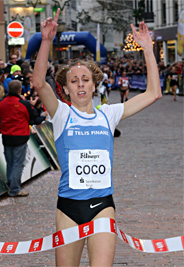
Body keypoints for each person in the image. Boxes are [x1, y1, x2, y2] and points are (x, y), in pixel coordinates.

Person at [33, 9, 162, 266]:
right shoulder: (62, 114)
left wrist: (148, 48)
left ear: (94, 85)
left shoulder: (108, 114)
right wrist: (46, 41)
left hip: (103, 206)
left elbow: (153, 94)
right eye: (74, 81)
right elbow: (38, 83)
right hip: (69, 207)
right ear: (66, 89)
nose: (80, 84)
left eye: (85, 80)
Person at [0, 80, 35, 197]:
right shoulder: (23, 104)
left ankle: (11, 183)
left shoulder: (1, 103)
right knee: (18, 164)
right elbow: (31, 117)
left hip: (7, 135)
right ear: (20, 90)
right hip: (20, 136)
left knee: (10, 162)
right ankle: (15, 189)